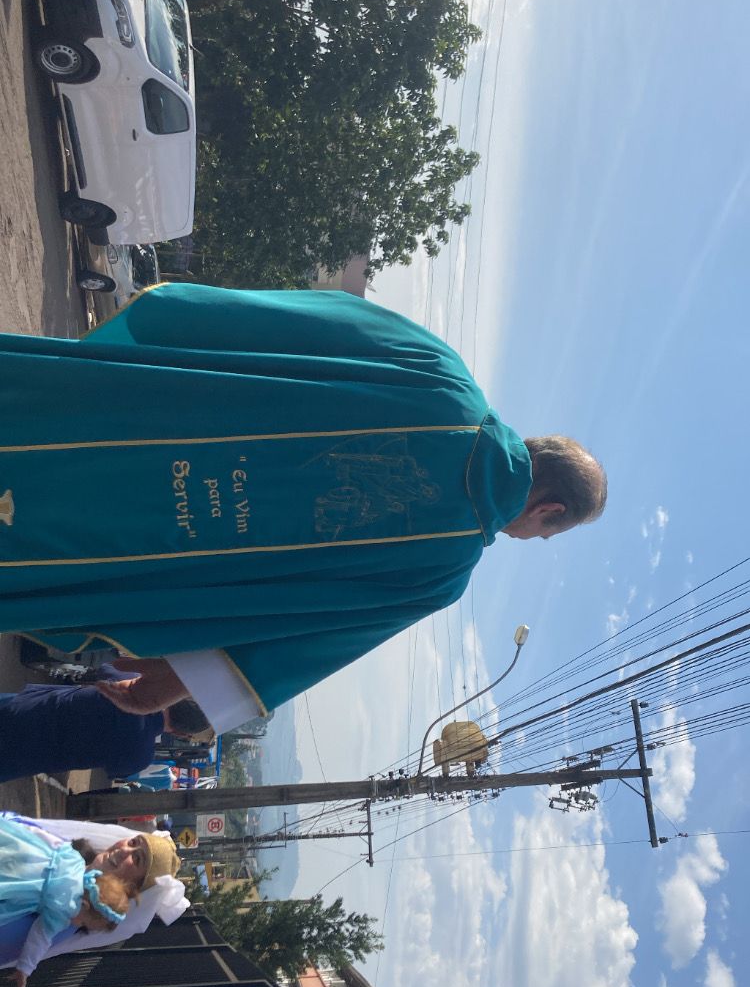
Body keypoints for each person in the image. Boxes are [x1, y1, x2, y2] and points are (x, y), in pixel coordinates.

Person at [0, 285, 607, 733]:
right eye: (544, 535)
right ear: (549, 509)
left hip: (133, 416)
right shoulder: (441, 572)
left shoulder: (437, 369)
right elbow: (298, 638)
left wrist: (162, 322)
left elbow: (279, 320)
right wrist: (175, 683)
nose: (529, 539)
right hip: (126, 553)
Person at [0, 819, 186, 977]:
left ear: (133, 889)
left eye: (137, 859)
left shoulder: (66, 916)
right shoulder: (70, 853)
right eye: (132, 842)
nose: (124, 850)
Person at [0, 814, 137, 987]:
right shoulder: (65, 910)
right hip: (16, 886)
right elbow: (39, 937)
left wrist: (18, 829)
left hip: (23, 850)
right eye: (83, 923)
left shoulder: (75, 860)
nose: (78, 925)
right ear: (84, 905)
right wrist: (25, 968)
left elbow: (47, 838)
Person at [0, 682, 213, 783]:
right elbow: (116, 771)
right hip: (20, 756)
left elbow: (104, 670)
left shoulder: (131, 684)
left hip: (22, 708)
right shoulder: (139, 756)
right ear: (181, 734)